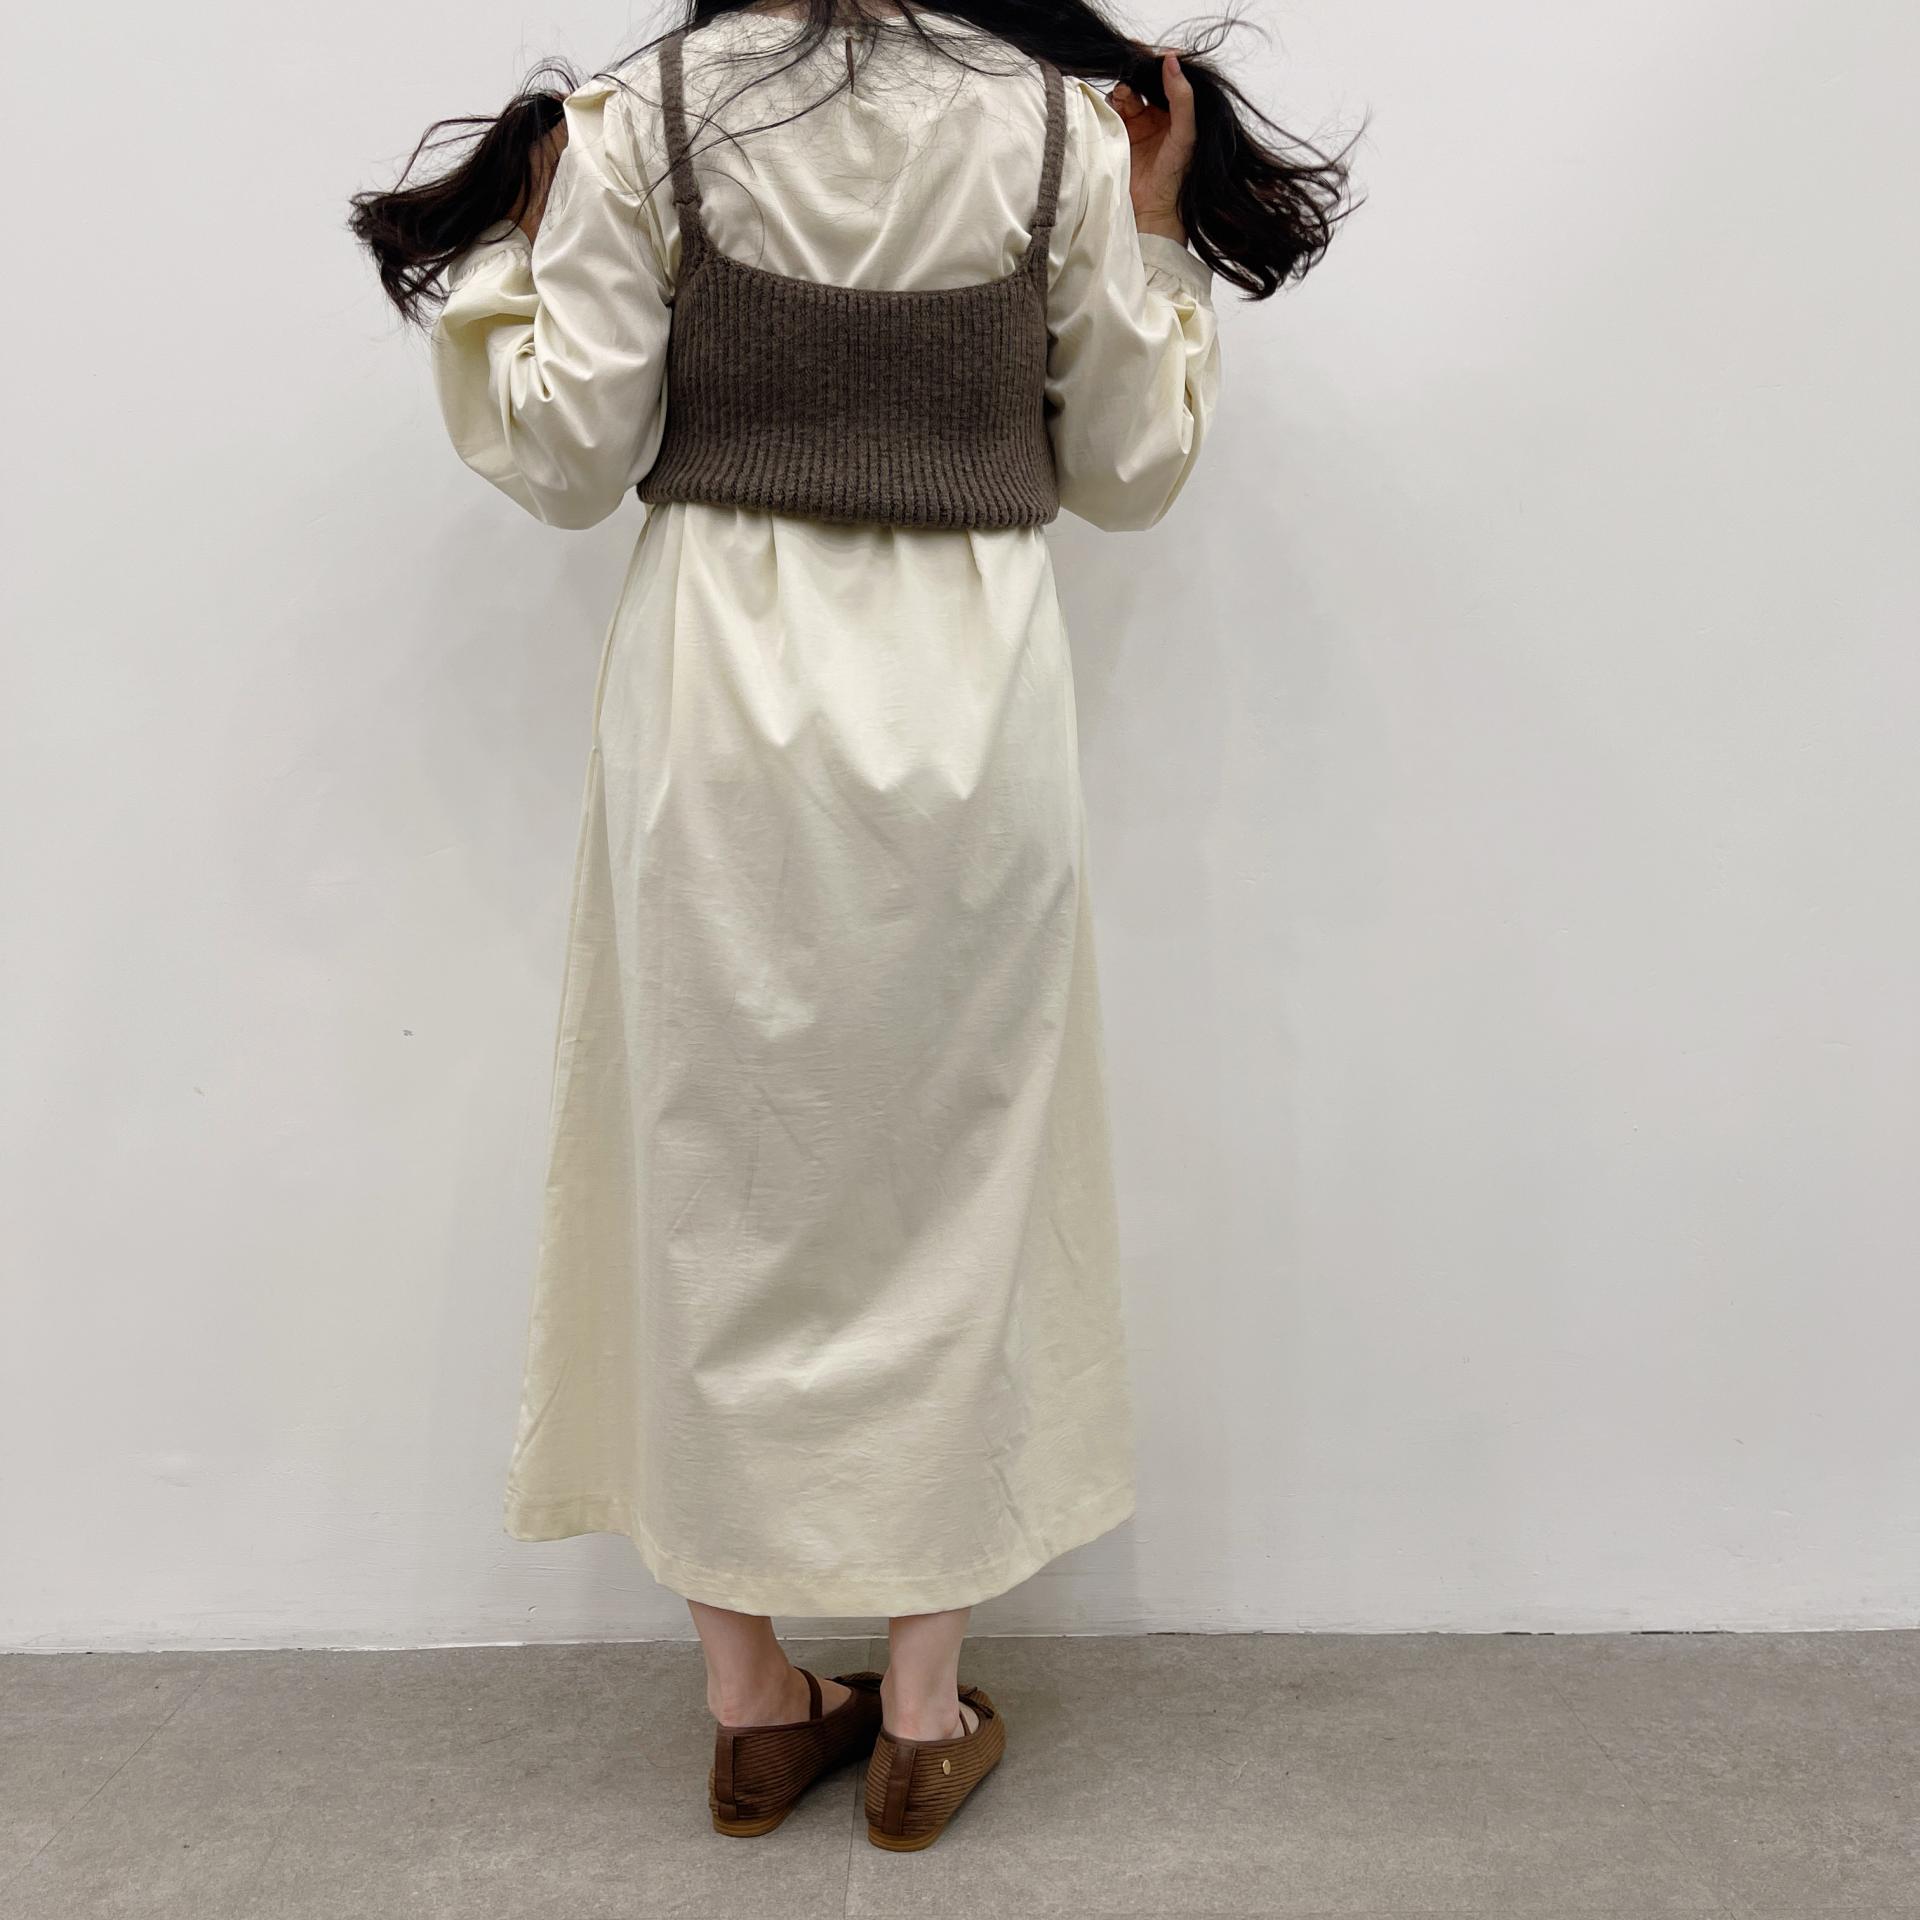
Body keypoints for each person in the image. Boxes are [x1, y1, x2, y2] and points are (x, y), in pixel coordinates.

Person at [350, 0, 1345, 1852]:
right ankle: (916, 1710)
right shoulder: (1051, 126)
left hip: (717, 704)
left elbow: (568, 461)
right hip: (972, 710)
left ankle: (749, 1706)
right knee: (959, 1186)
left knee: (706, 1176)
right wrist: (1148, 232)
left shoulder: (644, 114)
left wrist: (518, 245)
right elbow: (1130, 475)